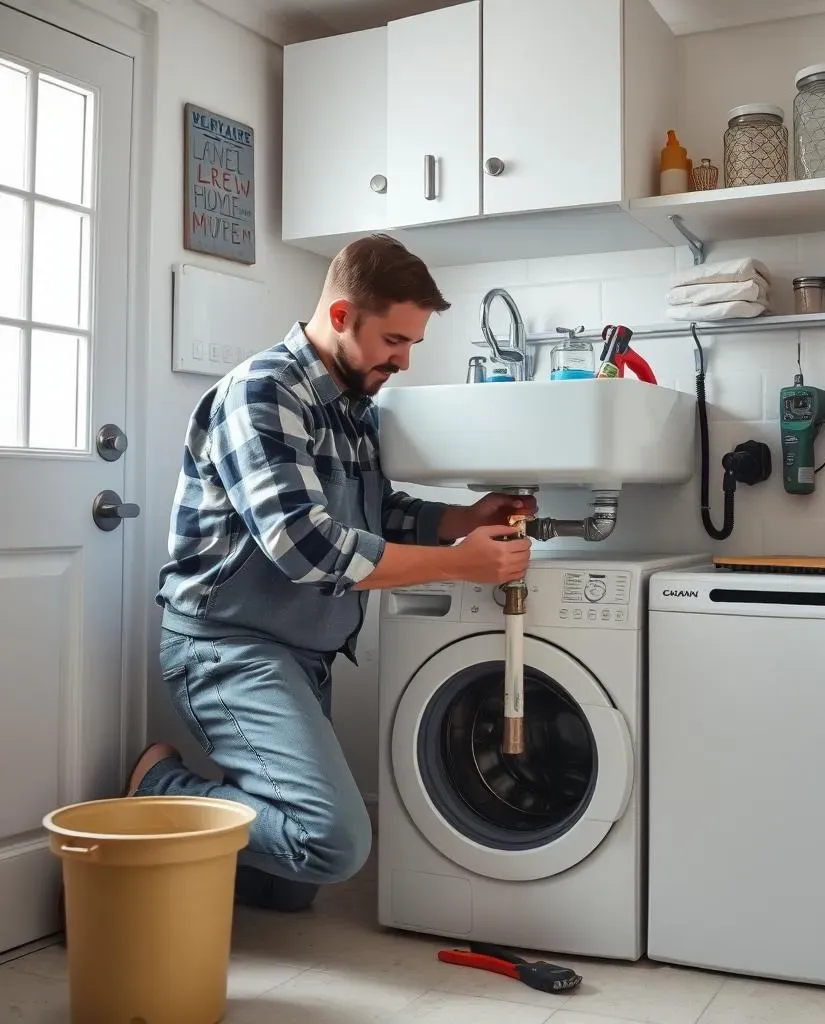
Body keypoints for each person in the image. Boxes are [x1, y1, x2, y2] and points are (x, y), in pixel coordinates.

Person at [134, 234, 535, 912]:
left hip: (300, 651)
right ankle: (161, 790)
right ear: (344, 316)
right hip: (228, 646)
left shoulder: (351, 406)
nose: (404, 360)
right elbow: (309, 549)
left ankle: (184, 869)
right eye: (395, 340)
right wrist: (458, 564)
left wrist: (463, 517)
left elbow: (377, 513)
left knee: (291, 890)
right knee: (333, 843)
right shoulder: (263, 394)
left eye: (411, 344)